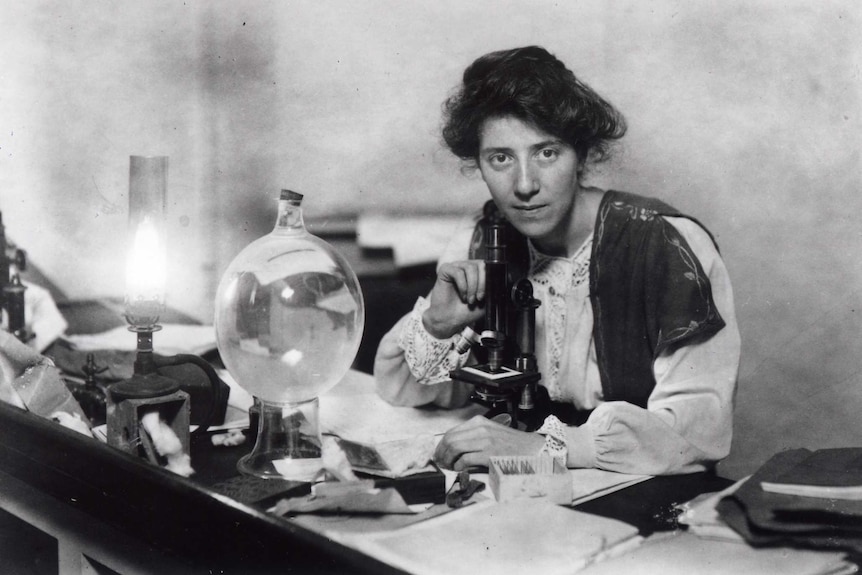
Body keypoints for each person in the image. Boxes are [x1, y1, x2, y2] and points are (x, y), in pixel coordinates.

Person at [373, 46, 740, 476]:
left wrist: (545, 448)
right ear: (479, 163)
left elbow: (697, 434)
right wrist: (437, 325)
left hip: (642, 487)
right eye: (501, 158)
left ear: (581, 155)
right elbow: (401, 390)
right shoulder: (483, 235)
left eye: (547, 153)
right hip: (527, 484)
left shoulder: (666, 244)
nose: (525, 185)